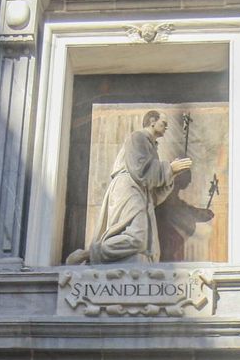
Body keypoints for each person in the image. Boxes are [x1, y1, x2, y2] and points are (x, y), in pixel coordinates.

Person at [66, 110, 191, 264]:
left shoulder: (151, 147)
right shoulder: (137, 138)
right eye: (163, 123)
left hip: (138, 192)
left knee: (140, 242)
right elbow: (140, 171)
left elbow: (153, 194)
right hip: (128, 189)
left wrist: (172, 174)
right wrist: (169, 169)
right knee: (137, 238)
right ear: (152, 121)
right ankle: (88, 254)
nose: (166, 127)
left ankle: (91, 254)